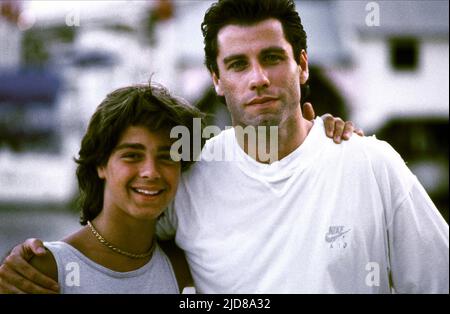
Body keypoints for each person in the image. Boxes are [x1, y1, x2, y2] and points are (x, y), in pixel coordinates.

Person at [2, 0, 430, 294]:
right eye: (238, 64)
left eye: (273, 57)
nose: (258, 77)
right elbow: (122, 246)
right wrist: (43, 258)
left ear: (301, 65)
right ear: (216, 79)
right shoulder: (189, 172)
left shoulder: (370, 164)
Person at [0, 83, 204, 293]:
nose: (150, 172)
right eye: (132, 155)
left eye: (167, 157)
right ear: (101, 164)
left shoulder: (180, 266)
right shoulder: (45, 269)